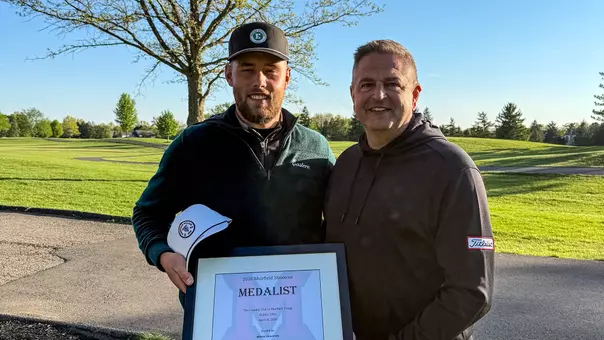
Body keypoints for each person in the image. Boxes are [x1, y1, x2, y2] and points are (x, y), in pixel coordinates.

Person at [131, 22, 335, 306]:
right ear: (229, 75)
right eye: (247, 69)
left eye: (271, 71)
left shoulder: (316, 148)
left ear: (286, 77)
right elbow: (147, 212)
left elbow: (341, 222)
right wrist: (163, 253)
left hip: (297, 307)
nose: (259, 81)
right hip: (216, 309)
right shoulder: (194, 143)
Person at [323, 39, 494, 340]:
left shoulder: (452, 169)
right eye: (366, 84)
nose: (379, 95)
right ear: (352, 94)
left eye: (393, 84)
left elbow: (472, 291)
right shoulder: (346, 165)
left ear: (414, 95)